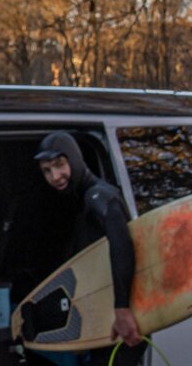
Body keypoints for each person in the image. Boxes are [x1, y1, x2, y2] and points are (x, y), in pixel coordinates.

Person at [29, 131, 145, 366]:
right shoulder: (80, 200)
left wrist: (122, 309)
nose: (55, 176)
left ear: (74, 158)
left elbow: (121, 244)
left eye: (60, 165)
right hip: (104, 315)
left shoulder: (98, 196)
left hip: (124, 318)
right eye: (47, 171)